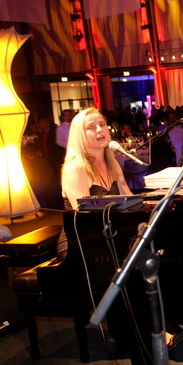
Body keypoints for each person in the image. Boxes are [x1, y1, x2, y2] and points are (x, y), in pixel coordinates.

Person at [59, 108, 133, 259]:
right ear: (79, 136)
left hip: (109, 234)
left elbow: (131, 201)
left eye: (102, 124)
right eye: (91, 127)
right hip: (80, 244)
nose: (100, 129)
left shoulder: (112, 163)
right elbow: (86, 219)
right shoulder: (75, 168)